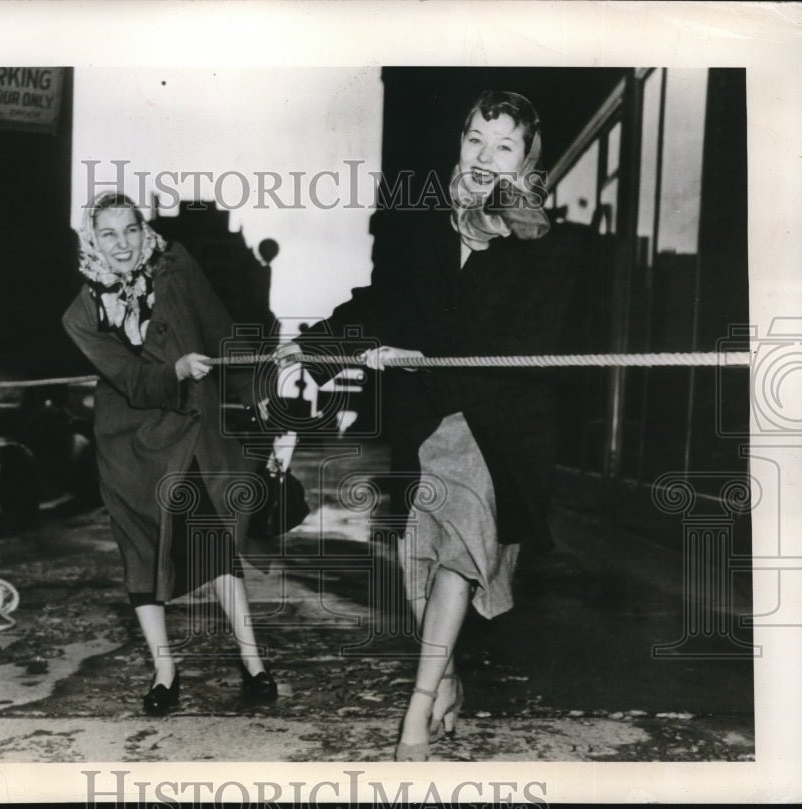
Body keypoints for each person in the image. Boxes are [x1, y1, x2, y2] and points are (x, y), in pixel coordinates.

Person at [279, 90, 591, 760]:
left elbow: (504, 337)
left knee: (455, 557)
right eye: (475, 139)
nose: (484, 156)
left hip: (497, 429)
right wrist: (316, 344)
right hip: (432, 425)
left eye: (503, 146)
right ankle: (445, 674)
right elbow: (381, 302)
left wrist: (411, 349)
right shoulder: (425, 232)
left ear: (525, 160)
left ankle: (416, 710)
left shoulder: (544, 246)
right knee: (412, 562)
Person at [62, 191, 277, 716]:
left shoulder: (176, 268)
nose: (121, 244)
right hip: (129, 442)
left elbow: (224, 332)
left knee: (215, 542)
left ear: (143, 230)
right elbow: (133, 379)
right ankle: (165, 671)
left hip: (190, 432)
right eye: (108, 234)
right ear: (93, 240)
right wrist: (176, 371)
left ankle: (253, 662)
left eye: (130, 230)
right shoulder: (81, 315)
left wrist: (259, 404)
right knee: (142, 553)